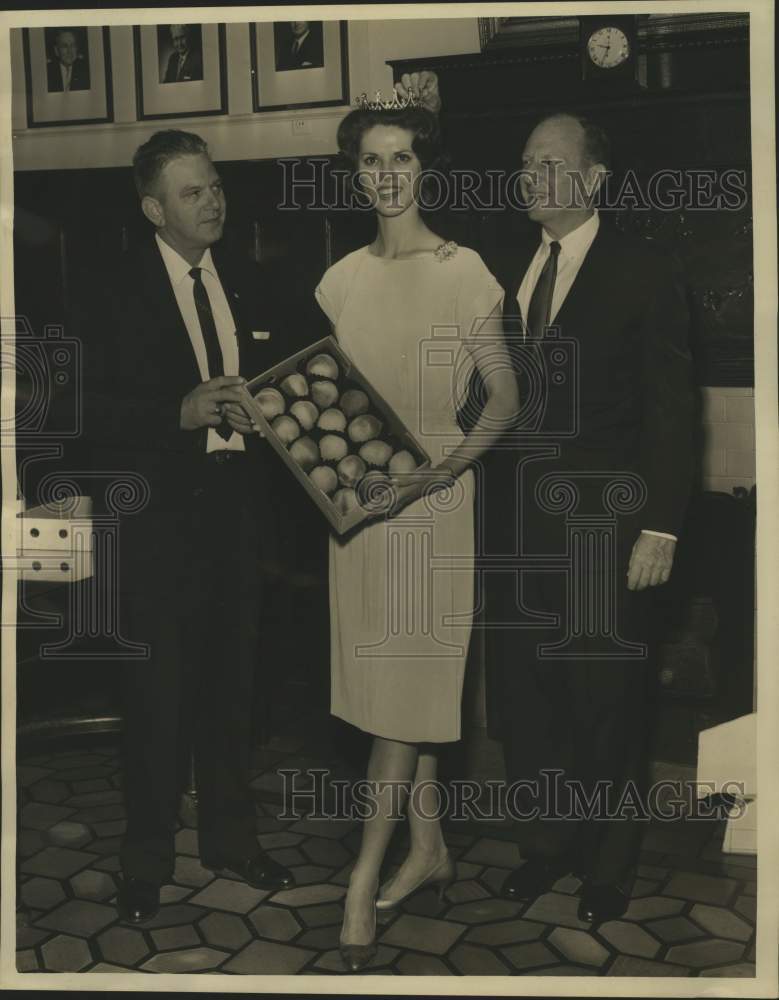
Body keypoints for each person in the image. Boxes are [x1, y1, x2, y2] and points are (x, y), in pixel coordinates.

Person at [398, 72, 694, 924]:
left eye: (550, 164)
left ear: (593, 179)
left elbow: (672, 416)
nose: (532, 178)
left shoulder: (643, 269)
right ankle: (547, 847)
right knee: (529, 704)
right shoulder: (507, 265)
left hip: (607, 530)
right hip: (513, 531)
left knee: (605, 703)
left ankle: (607, 866)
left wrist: (662, 527)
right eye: (526, 165)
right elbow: (490, 394)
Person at [314, 98, 519, 971]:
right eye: (370, 159)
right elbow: (336, 406)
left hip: (432, 511)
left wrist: (440, 470)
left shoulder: (461, 270)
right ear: (355, 172)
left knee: (399, 705)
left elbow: (506, 401)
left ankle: (362, 882)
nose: (386, 172)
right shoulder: (341, 281)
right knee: (393, 701)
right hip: (358, 516)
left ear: (422, 166)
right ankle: (428, 849)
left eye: (400, 156)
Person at [82, 129, 293, 924]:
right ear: (152, 209)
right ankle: (146, 860)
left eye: (214, 186)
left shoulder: (250, 278)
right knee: (156, 698)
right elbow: (77, 409)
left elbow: (289, 377)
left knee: (233, 690)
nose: (212, 202)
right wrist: (180, 410)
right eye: (191, 192)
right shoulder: (109, 289)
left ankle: (230, 841)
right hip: (155, 528)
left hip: (240, 517)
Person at [46, 28, 90, 92]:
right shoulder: (47, 72)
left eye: (73, 45)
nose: (69, 51)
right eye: (64, 46)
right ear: (56, 51)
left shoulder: (86, 71)